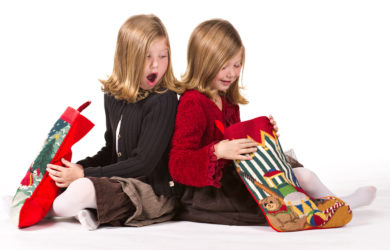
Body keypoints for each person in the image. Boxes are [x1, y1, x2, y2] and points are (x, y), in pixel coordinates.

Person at [168, 18, 376, 226]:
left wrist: (262, 136)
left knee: (303, 177)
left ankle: (339, 204)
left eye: (237, 65)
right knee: (287, 195)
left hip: (236, 174)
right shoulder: (193, 103)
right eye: (224, 67)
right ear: (204, 64)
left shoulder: (226, 99)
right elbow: (178, 164)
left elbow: (234, 139)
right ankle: (342, 205)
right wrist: (218, 151)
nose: (232, 73)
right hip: (212, 190)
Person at [46, 14, 183, 230]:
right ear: (128, 57)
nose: (156, 65)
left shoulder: (163, 98)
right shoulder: (113, 96)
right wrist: (78, 167)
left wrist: (83, 174)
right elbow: (111, 150)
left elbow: (144, 163)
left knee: (82, 187)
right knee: (60, 176)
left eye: (163, 56)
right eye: (147, 56)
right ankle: (82, 209)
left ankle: (47, 212)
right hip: (121, 179)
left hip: (153, 190)